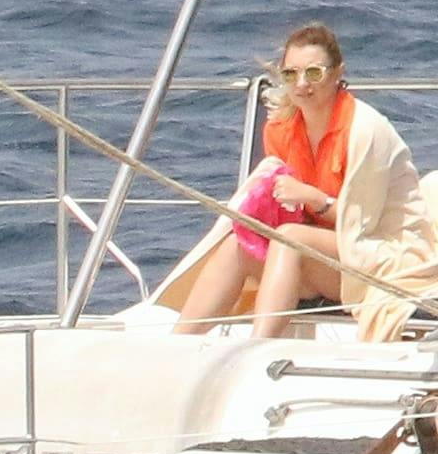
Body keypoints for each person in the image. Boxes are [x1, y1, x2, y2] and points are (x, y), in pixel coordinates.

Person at [164, 23, 413, 338]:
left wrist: (312, 198)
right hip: (322, 255)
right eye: (291, 75)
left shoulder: (365, 131)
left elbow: (363, 227)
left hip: (381, 257)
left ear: (337, 74)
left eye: (313, 73)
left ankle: (258, 347)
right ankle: (180, 341)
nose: (301, 85)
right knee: (237, 245)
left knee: (290, 238)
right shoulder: (281, 130)